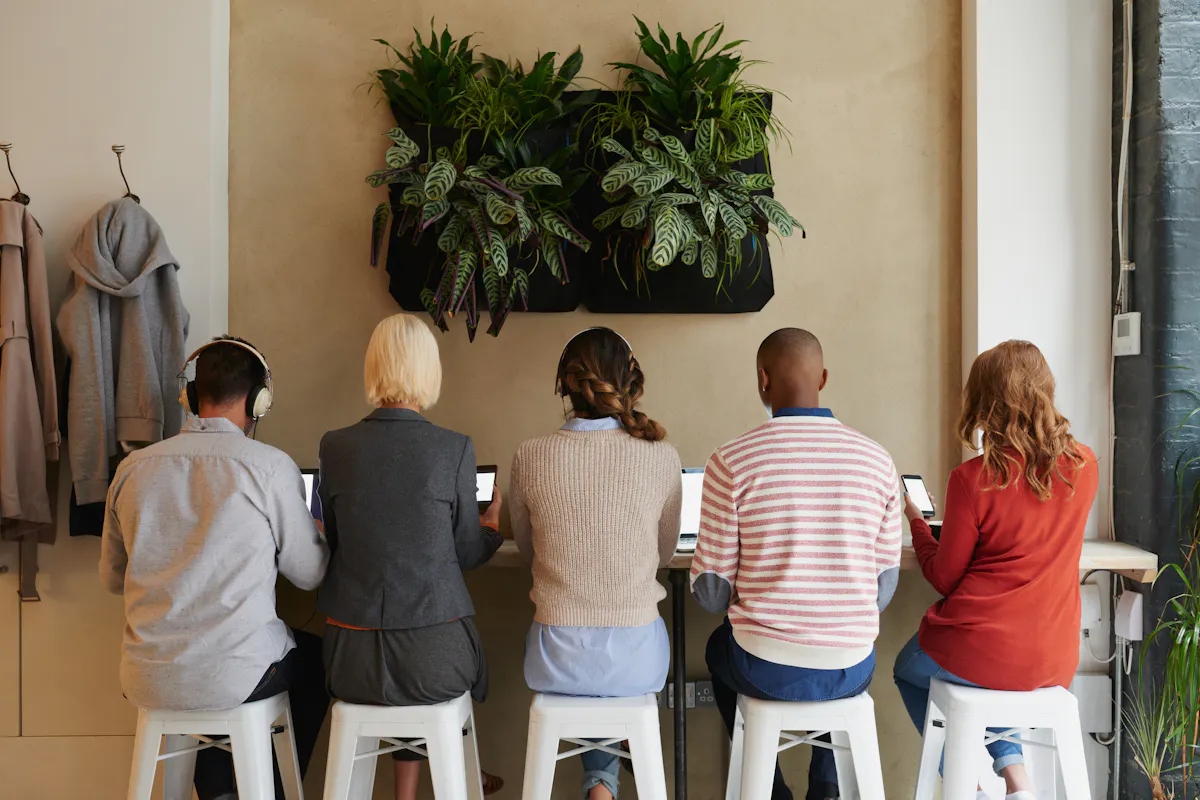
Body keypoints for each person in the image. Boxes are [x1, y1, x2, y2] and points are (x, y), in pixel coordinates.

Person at [101, 336, 330, 800]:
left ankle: (217, 789)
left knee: (220, 663)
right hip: (231, 676)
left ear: (189, 395)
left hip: (147, 676)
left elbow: (111, 578)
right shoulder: (268, 468)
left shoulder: (132, 469)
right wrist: (317, 532)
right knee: (315, 661)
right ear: (258, 401)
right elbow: (310, 575)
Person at [690, 328, 903, 800]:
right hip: (853, 666)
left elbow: (711, 594)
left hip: (761, 666)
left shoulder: (730, 461)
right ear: (824, 378)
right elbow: (883, 588)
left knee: (716, 649)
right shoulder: (877, 461)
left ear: (762, 380)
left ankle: (770, 789)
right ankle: (826, 784)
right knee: (834, 655)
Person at [893, 341, 1098, 800]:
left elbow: (944, 578)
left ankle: (972, 786)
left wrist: (918, 524)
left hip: (984, 649)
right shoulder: (1084, 466)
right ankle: (1017, 780)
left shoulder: (971, 479)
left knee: (909, 668)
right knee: (991, 665)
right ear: (1045, 390)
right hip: (1054, 657)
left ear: (985, 403)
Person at [316, 313, 505, 800]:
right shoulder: (453, 449)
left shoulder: (334, 448)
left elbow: (331, 544)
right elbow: (465, 552)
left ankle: (427, 781)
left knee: (407, 637)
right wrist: (490, 527)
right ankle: (459, 769)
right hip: (434, 662)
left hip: (349, 661)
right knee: (430, 642)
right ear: (429, 370)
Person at [509, 327, 682, 800]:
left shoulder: (530, 456)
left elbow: (529, 552)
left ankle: (600, 784)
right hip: (638, 659)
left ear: (564, 384)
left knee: (585, 655)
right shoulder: (662, 458)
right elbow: (662, 556)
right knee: (613, 657)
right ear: (630, 380)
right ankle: (602, 784)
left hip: (553, 658)